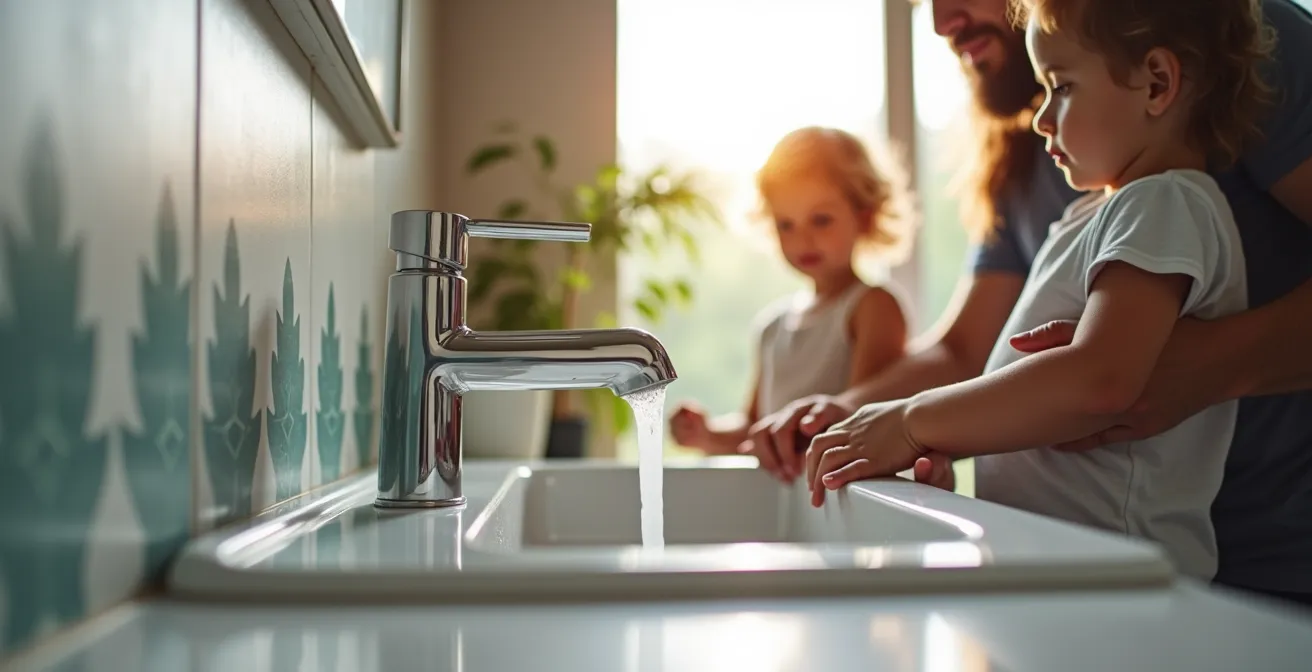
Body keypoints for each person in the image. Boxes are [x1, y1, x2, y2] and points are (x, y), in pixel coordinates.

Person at [747, 0, 1312, 604]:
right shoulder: (1090, 206)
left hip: (1163, 579)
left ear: (1158, 82)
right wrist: (873, 421)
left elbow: (1100, 379)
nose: (1042, 118)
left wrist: (912, 423)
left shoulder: (1163, 203)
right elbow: (972, 352)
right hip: (1080, 570)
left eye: (1061, 87)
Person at [668, 127, 911, 455]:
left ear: (864, 217)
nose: (802, 239)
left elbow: (863, 424)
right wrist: (706, 433)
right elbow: (752, 426)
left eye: (821, 220)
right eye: (786, 224)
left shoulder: (873, 308)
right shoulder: (772, 325)